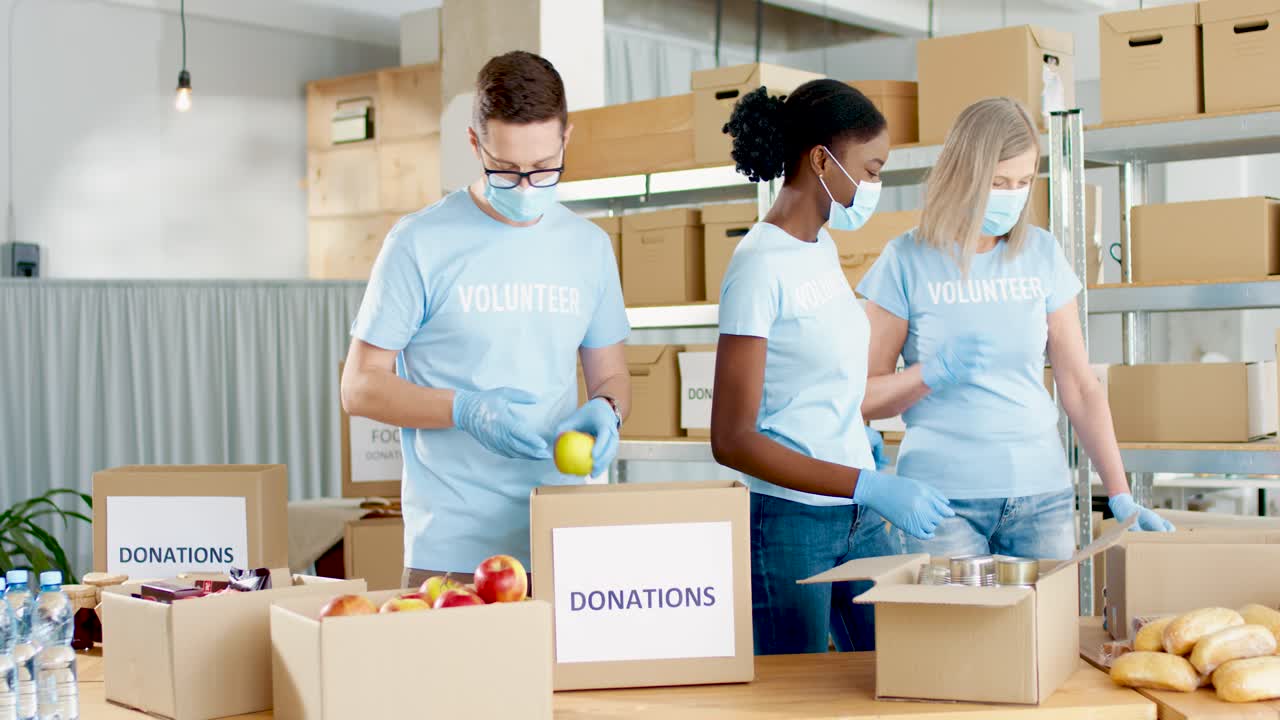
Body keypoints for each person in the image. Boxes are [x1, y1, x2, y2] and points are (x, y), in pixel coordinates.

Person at [340, 51, 631, 587]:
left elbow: (610, 374)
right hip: (451, 552)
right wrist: (466, 409)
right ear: (475, 144)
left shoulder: (590, 248)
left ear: (566, 139)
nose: (525, 187)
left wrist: (607, 411)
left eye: (543, 168)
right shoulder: (419, 243)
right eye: (506, 169)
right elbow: (359, 388)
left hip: (561, 538)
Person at [856, 97, 1172, 565]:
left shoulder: (1041, 253)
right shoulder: (906, 260)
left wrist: (1120, 492)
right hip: (941, 503)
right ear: (963, 174)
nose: (1011, 194)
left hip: (1042, 498)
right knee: (960, 638)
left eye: (1023, 182)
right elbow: (862, 395)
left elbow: (1080, 386)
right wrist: (929, 373)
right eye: (999, 182)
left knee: (1045, 637)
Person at [709, 80, 955, 656]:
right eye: (870, 170)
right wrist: (866, 482)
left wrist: (859, 448)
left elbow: (819, 386)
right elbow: (731, 439)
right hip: (791, 523)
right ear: (821, 159)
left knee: (902, 668)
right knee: (798, 698)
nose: (875, 185)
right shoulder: (758, 267)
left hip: (859, 515)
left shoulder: (817, 247)